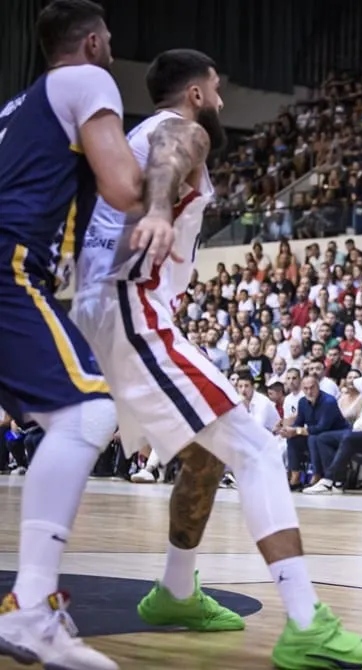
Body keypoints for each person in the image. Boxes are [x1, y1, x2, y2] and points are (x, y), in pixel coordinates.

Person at [70, 49, 362, 669]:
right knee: (259, 450)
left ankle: (174, 591)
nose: (221, 102)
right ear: (196, 93)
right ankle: (307, 624)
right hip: (129, 306)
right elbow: (176, 149)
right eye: (217, 90)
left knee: (204, 454)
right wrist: (164, 210)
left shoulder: (130, 137)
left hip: (106, 306)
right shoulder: (180, 128)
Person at [0, 1, 149, 666]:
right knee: (86, 413)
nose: (112, 46)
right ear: (92, 41)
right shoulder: (86, 80)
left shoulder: (15, 108)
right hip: (9, 267)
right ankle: (31, 607)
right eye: (110, 38)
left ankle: (34, 607)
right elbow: (123, 186)